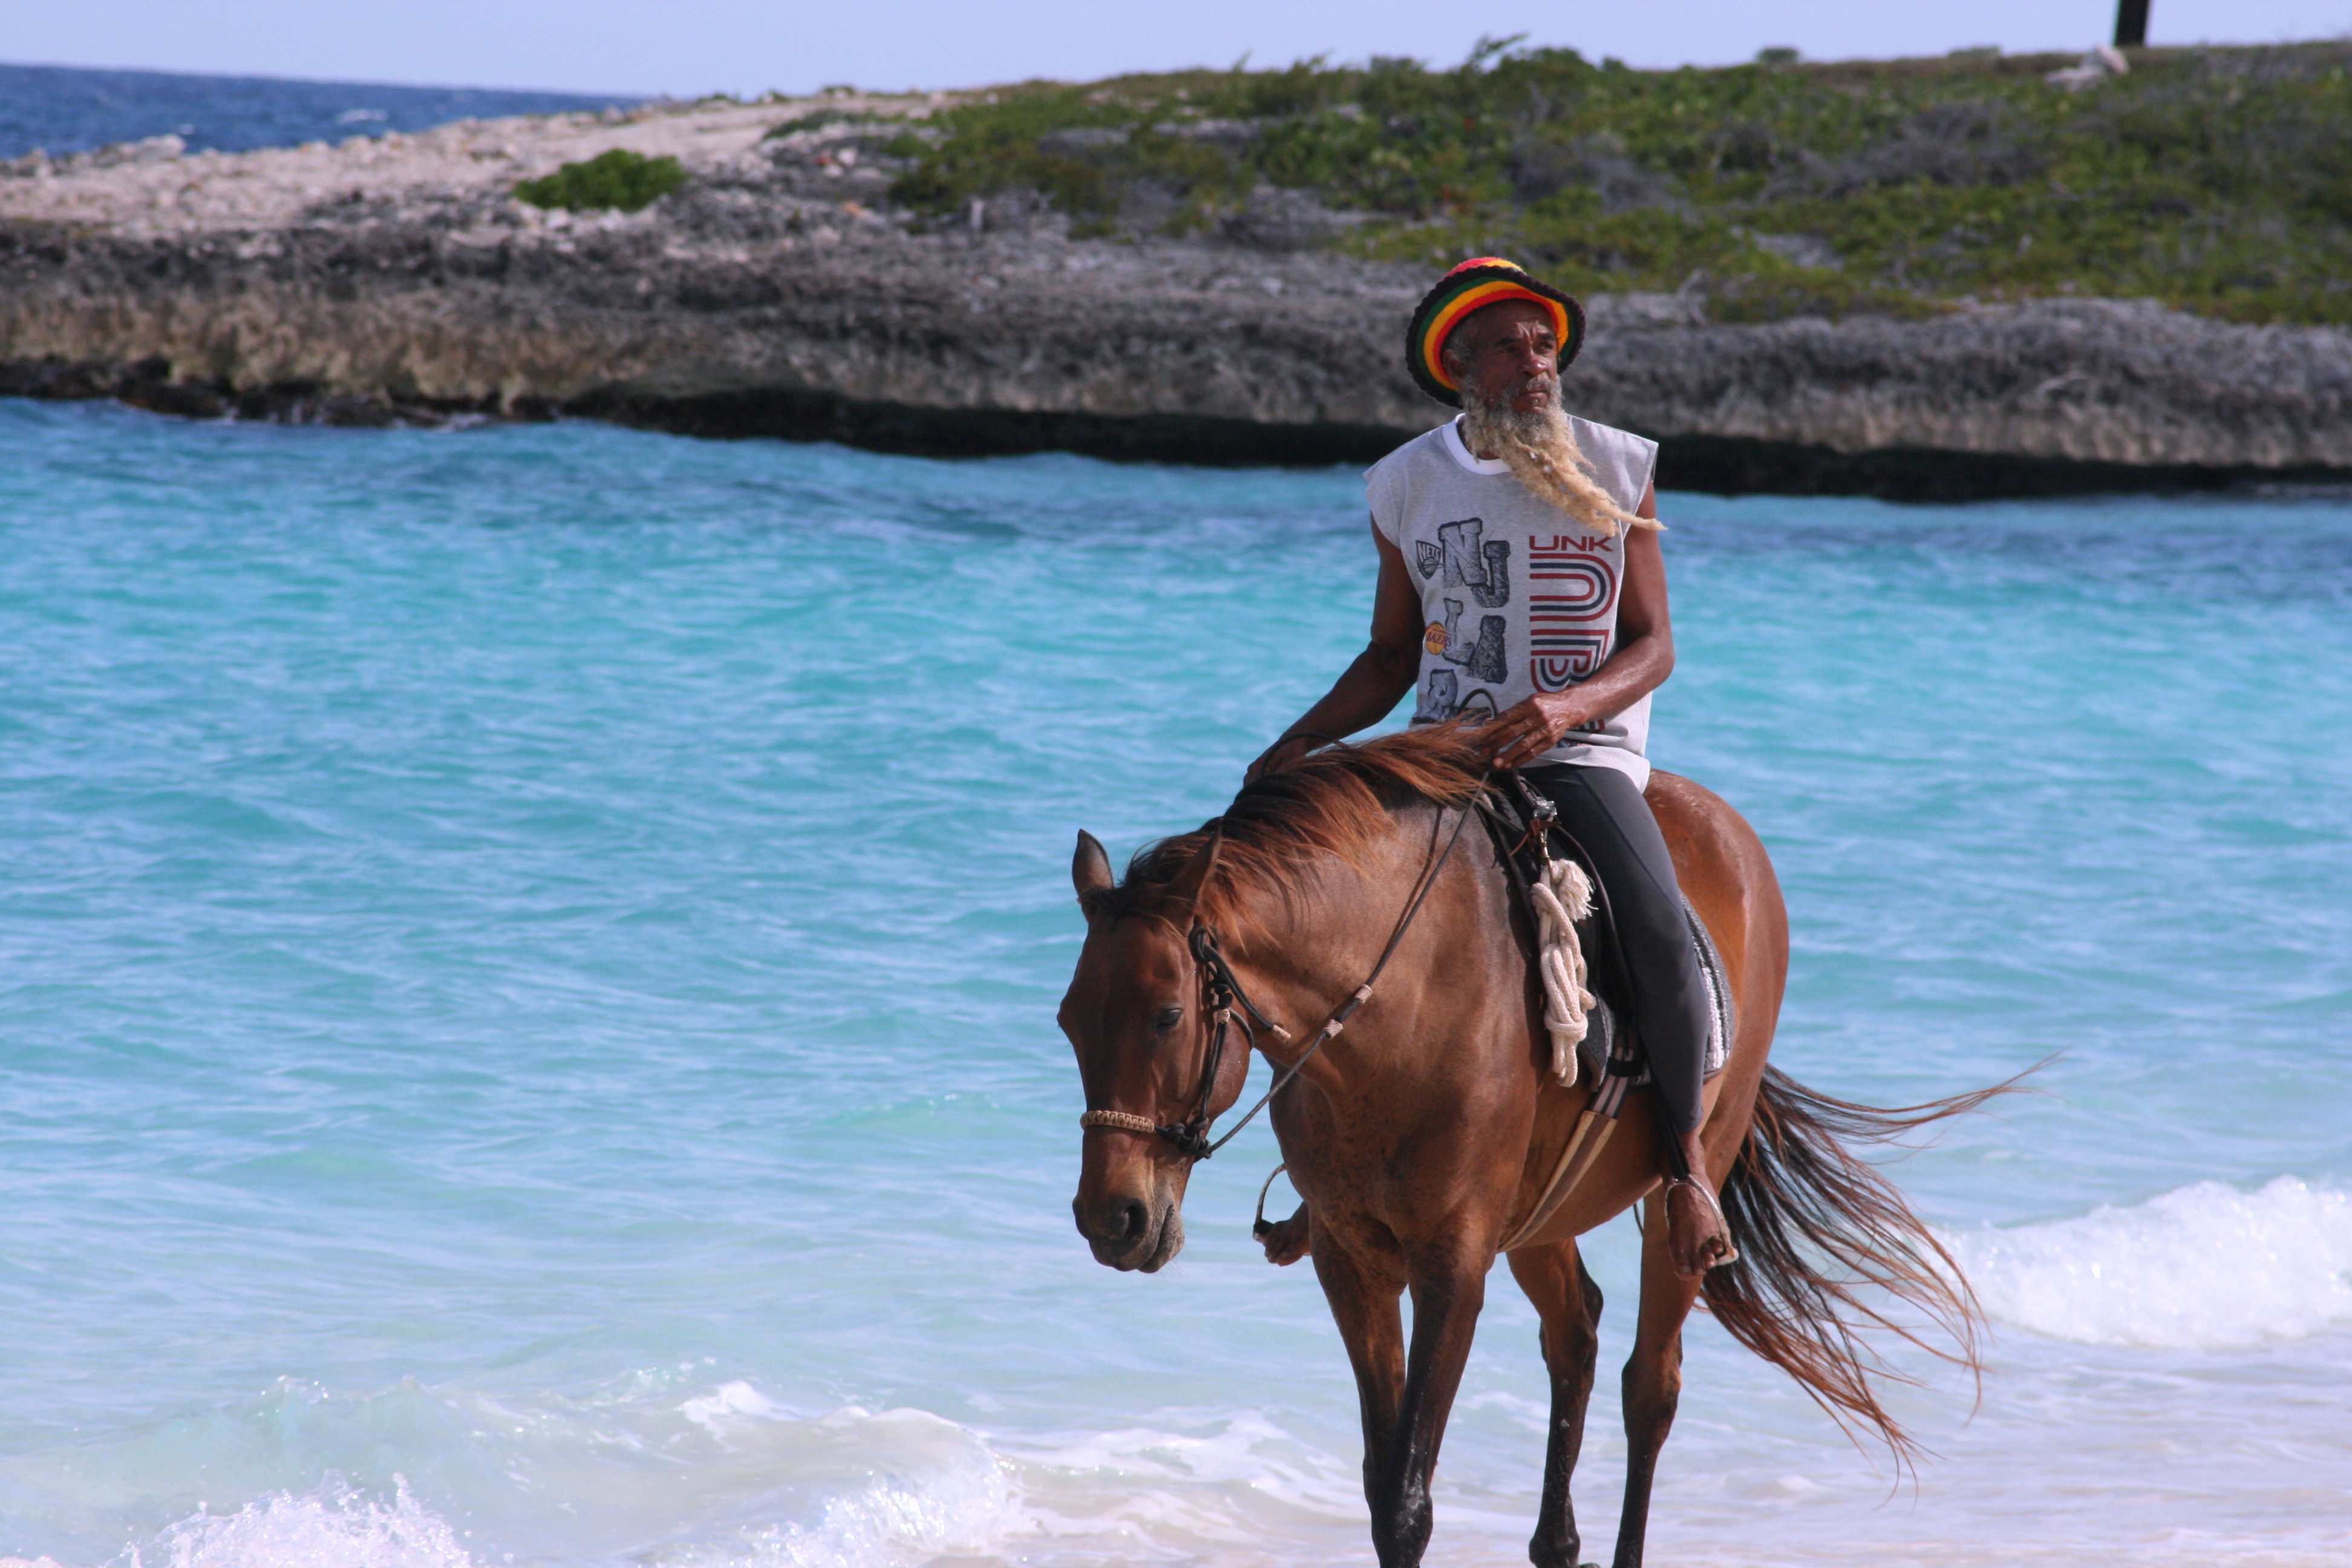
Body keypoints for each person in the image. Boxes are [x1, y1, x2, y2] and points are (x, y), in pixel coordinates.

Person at [1244, 257, 1733, 1278]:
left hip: (1582, 753)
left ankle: (1687, 1164)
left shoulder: (1618, 466)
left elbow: (1654, 647)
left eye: (1544, 344)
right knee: (1316, 907)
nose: (1535, 361)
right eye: (1508, 346)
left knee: (1654, 927)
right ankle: (1326, 1172)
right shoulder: (1405, 483)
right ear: (1460, 368)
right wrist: (1298, 742)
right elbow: (1391, 655)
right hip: (1442, 752)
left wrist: (1565, 708)